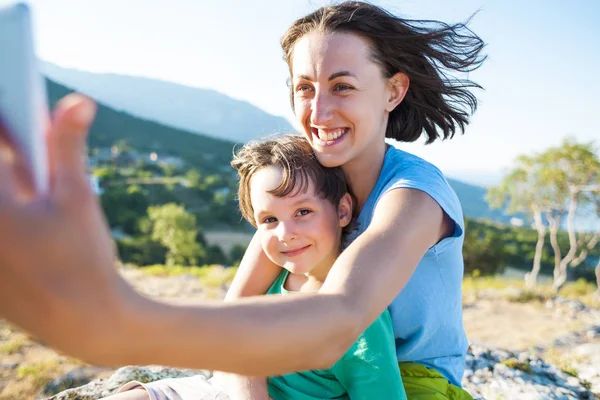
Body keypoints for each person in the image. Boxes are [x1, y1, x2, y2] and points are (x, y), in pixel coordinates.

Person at [0, 2, 485, 399]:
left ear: (393, 91)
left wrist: (113, 325)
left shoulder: (414, 198)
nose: (318, 111)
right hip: (295, 377)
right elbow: (240, 314)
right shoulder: (305, 183)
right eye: (304, 88)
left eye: (343, 87)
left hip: (408, 384)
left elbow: (338, 323)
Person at [111, 134, 407, 400]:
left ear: (342, 210)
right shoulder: (273, 278)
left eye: (303, 212)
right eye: (269, 220)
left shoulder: (359, 315)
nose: (285, 234)